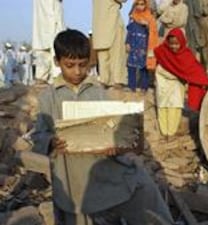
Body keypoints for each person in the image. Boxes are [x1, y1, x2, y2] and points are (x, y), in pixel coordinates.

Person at [31, 29, 173, 225]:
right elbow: (38, 135)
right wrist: (51, 142)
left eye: (83, 65)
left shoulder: (98, 92)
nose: (77, 72)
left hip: (103, 166)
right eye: (70, 65)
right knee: (77, 211)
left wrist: (116, 145)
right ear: (57, 62)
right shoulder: (49, 97)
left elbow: (112, 126)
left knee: (140, 185)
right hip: (72, 176)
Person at [154, 28, 208, 137]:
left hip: (176, 87)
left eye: (176, 44)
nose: (174, 46)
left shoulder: (186, 55)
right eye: (171, 44)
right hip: (163, 86)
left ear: (182, 42)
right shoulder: (162, 51)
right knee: (162, 107)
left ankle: (170, 134)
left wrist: (207, 82)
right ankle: (163, 132)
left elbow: (196, 71)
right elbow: (158, 67)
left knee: (175, 108)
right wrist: (175, 75)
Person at [92, 0, 128, 89]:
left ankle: (105, 80)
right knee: (117, 54)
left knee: (103, 54)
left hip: (100, 23)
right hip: (112, 21)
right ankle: (117, 80)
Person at [126, 0, 159, 93]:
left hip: (144, 46)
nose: (140, 6)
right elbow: (129, 31)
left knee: (144, 68)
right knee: (131, 67)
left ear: (146, 5)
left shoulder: (150, 18)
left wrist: (147, 25)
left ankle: (144, 87)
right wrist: (127, 43)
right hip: (134, 45)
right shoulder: (133, 17)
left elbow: (153, 32)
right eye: (138, 4)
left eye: (142, 4)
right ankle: (131, 86)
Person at [32, 0, 65, 84]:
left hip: (54, 26)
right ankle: (42, 78)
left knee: (55, 49)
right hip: (45, 21)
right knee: (43, 50)